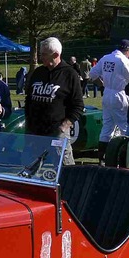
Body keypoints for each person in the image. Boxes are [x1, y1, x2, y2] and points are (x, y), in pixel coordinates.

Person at [24, 37, 84, 166]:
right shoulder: (38, 72)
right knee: (30, 167)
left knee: (64, 168)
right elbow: (28, 98)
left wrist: (64, 126)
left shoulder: (69, 74)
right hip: (35, 132)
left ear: (56, 55)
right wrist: (28, 121)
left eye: (44, 54)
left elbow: (78, 105)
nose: (41, 57)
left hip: (57, 132)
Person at [89, 39, 129, 161]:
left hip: (107, 93)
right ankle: (124, 157)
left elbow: (92, 74)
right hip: (120, 94)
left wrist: (102, 86)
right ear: (128, 50)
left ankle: (102, 158)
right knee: (124, 127)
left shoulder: (106, 57)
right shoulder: (124, 60)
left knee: (107, 127)